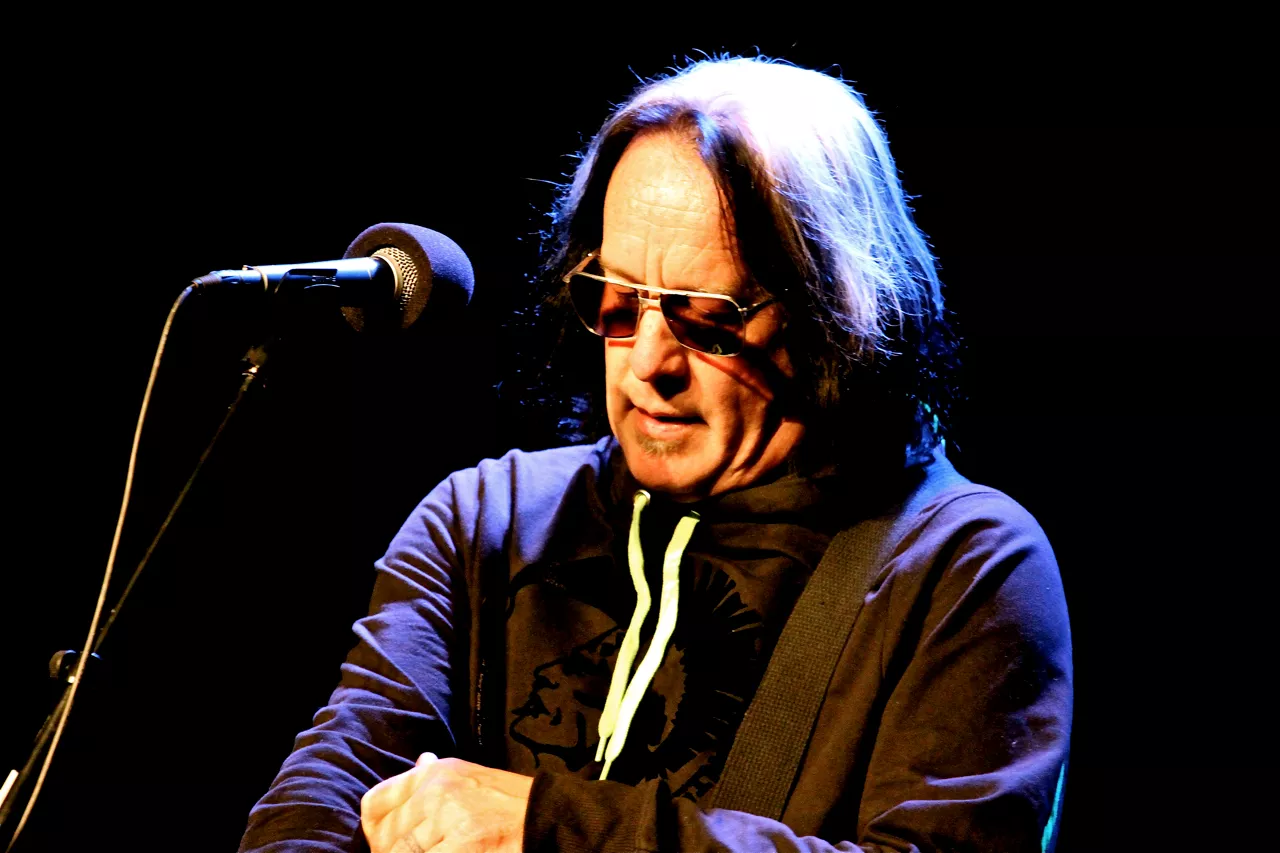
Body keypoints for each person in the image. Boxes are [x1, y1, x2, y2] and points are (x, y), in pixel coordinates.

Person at [238, 56, 1072, 853]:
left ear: (834, 314)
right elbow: (328, 786)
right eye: (617, 299)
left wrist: (552, 829)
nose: (647, 363)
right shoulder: (485, 521)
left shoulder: (961, 565)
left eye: (704, 317)